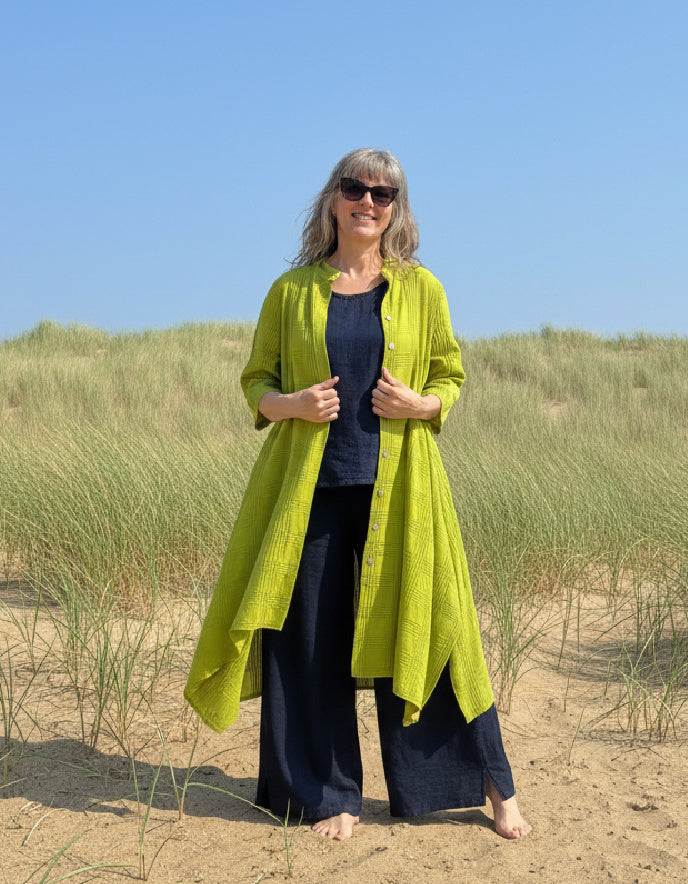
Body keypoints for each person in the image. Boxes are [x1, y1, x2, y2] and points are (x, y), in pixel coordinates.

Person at [184, 148, 531, 841]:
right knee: (311, 647)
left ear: (397, 209)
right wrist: (290, 404)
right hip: (307, 494)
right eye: (356, 188)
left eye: (384, 193)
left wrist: (422, 405)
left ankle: (492, 787)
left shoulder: (422, 288)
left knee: (440, 626)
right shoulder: (292, 293)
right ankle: (328, 793)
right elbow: (256, 381)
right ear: (332, 200)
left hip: (403, 493)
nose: (368, 202)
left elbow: (451, 375)